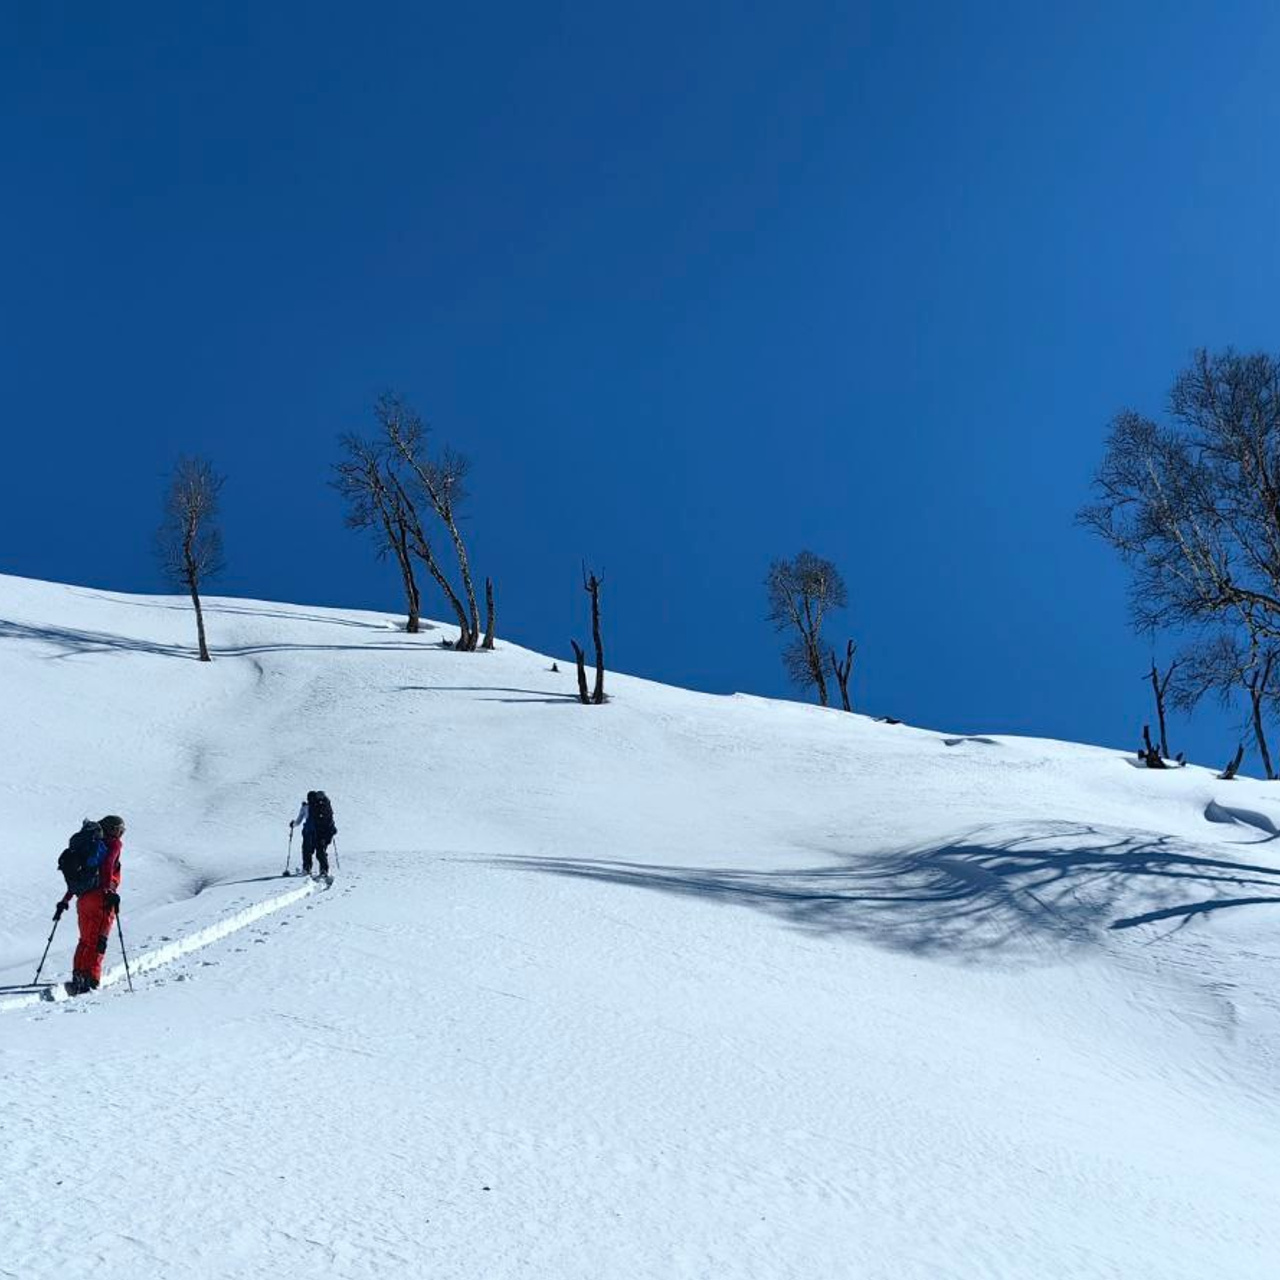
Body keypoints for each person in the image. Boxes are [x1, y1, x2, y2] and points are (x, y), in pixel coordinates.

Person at [57, 814, 124, 996]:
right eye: (120, 829)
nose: (121, 833)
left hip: (83, 899)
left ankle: (78, 975)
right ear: (113, 829)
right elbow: (108, 866)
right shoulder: (113, 845)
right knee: (99, 940)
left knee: (85, 939)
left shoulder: (93, 846)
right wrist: (109, 891)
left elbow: (81, 878)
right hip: (101, 898)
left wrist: (65, 900)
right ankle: (90, 980)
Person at [290, 790, 336, 878]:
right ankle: (323, 870)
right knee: (321, 851)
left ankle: (307, 868)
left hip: (308, 832)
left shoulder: (305, 807)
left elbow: (299, 820)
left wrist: (293, 824)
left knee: (307, 851)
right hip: (321, 832)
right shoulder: (322, 806)